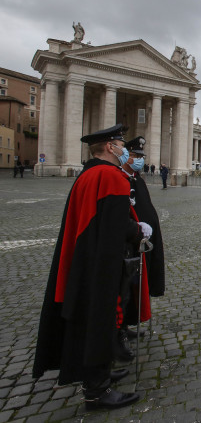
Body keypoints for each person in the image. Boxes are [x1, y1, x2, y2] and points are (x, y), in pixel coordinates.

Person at [33, 124, 152, 410]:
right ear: (110, 147)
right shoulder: (110, 176)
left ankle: (98, 372)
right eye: (121, 145)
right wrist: (138, 231)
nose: (125, 151)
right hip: (104, 263)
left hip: (87, 257)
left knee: (94, 317)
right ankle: (97, 391)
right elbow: (114, 225)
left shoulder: (89, 173)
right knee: (102, 316)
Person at [122, 136, 165, 336]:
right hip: (128, 243)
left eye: (140, 156)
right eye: (134, 155)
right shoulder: (120, 178)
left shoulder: (136, 178)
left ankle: (127, 323)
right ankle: (118, 329)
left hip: (141, 241)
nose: (139, 159)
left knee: (134, 286)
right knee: (124, 287)